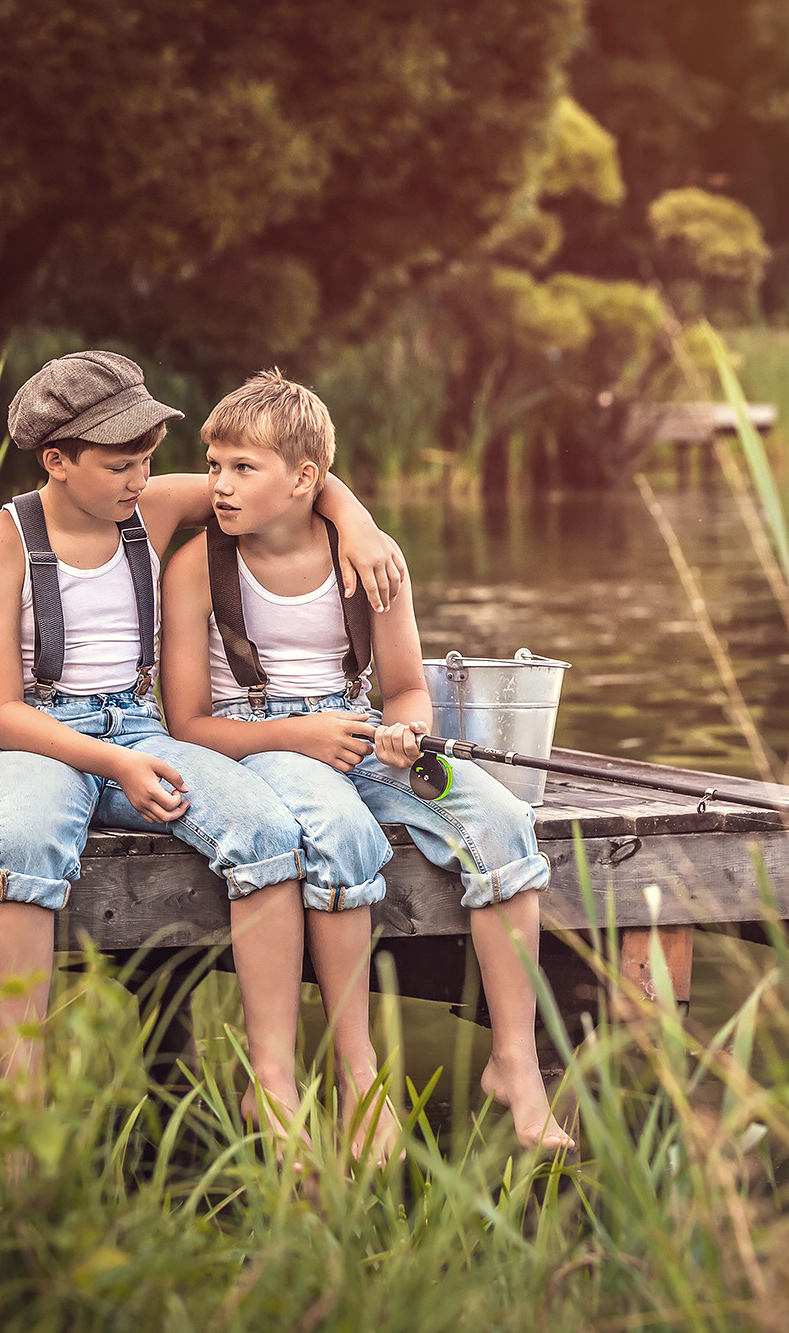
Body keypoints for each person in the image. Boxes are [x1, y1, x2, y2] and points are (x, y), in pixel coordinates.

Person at [0, 350, 405, 1152]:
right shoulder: (2, 543)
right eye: (120, 465)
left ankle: (268, 1080)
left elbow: (304, 480)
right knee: (24, 839)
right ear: (56, 462)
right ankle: (20, 1101)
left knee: (263, 825)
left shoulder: (151, 509)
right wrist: (116, 766)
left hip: (138, 725)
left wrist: (362, 524)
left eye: (149, 462)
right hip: (39, 737)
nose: (141, 479)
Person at [160, 369, 574, 1153]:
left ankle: (516, 1064)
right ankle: (360, 1077)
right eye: (214, 466)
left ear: (305, 480)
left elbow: (410, 689)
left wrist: (405, 731)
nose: (218, 484)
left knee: (503, 819)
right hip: (263, 748)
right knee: (345, 835)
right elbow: (188, 725)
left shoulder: (370, 562)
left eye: (242, 468)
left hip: (358, 736)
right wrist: (299, 735)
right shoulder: (195, 570)